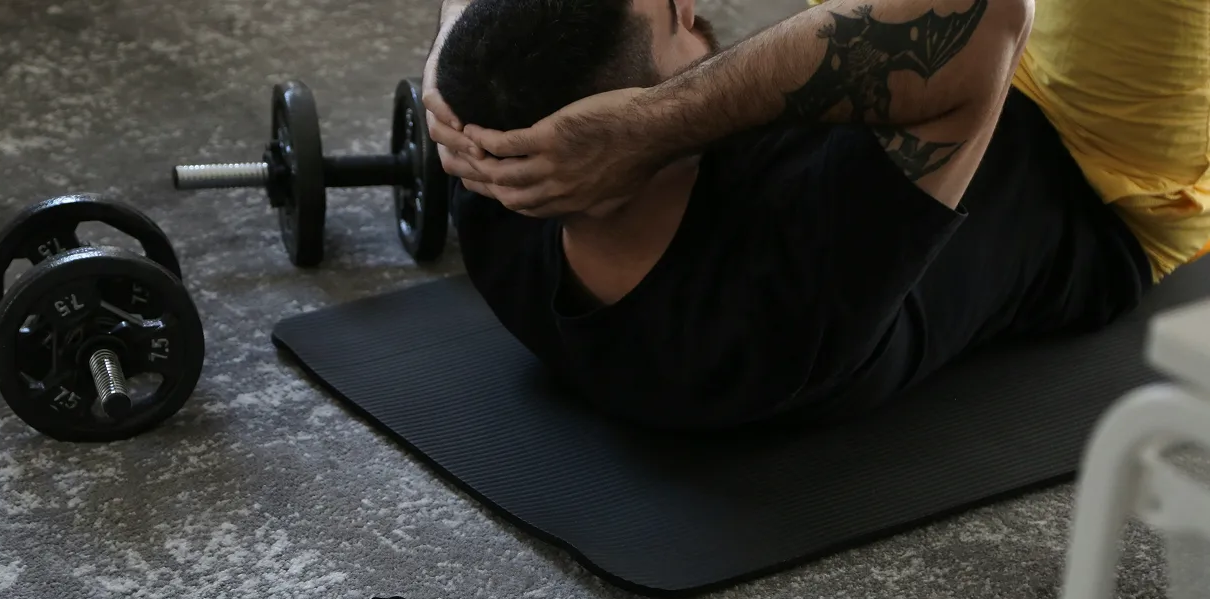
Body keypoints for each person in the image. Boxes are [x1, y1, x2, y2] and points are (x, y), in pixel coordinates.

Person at [421, 0, 1210, 430]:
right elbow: (993, 15)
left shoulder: (505, 186)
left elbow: (486, 35)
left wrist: (448, 60)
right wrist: (654, 124)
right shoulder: (768, 305)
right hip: (1093, 163)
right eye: (672, 13)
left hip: (911, 78)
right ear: (624, 139)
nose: (690, 3)